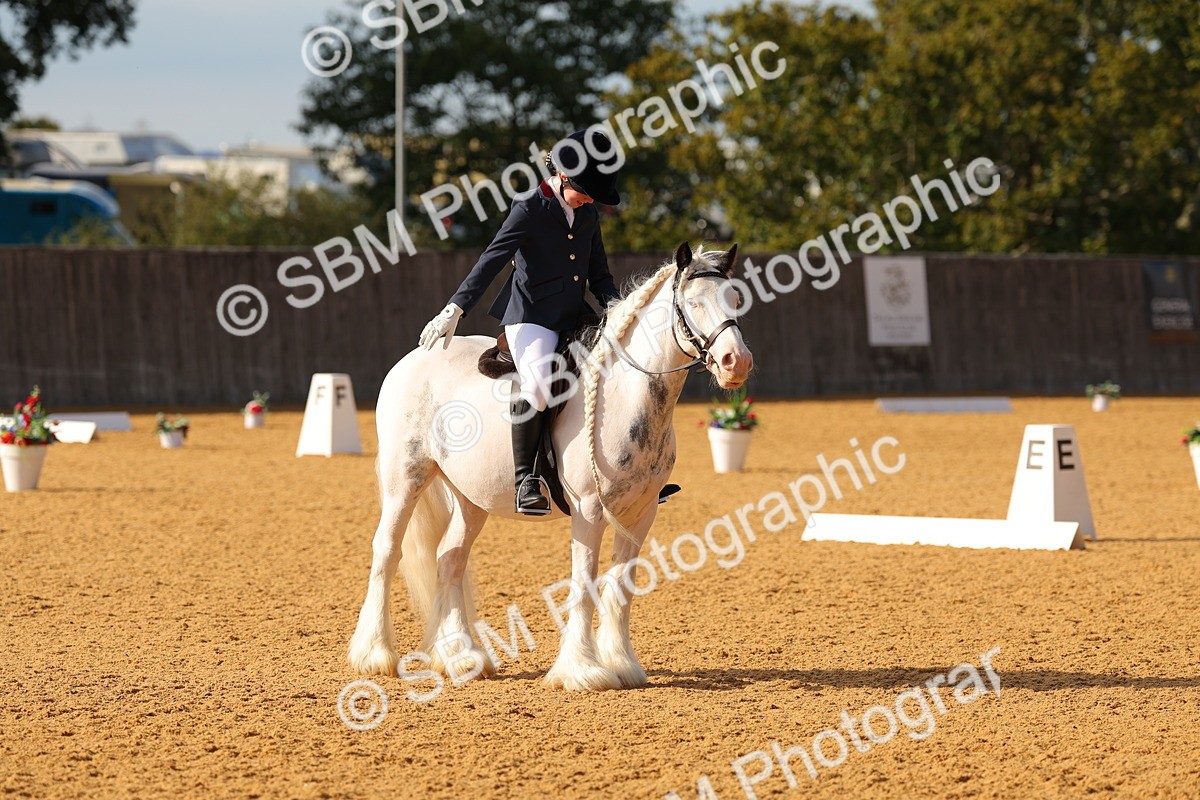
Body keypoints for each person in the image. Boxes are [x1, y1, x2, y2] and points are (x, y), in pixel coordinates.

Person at [419, 129, 623, 515]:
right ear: (563, 176)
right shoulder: (530, 207)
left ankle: (627, 472)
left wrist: (618, 308)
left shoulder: (587, 213)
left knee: (622, 369)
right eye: (585, 192)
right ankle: (526, 479)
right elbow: (492, 259)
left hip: (575, 316)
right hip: (532, 317)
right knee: (540, 386)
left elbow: (599, 274)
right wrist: (455, 309)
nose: (590, 200)